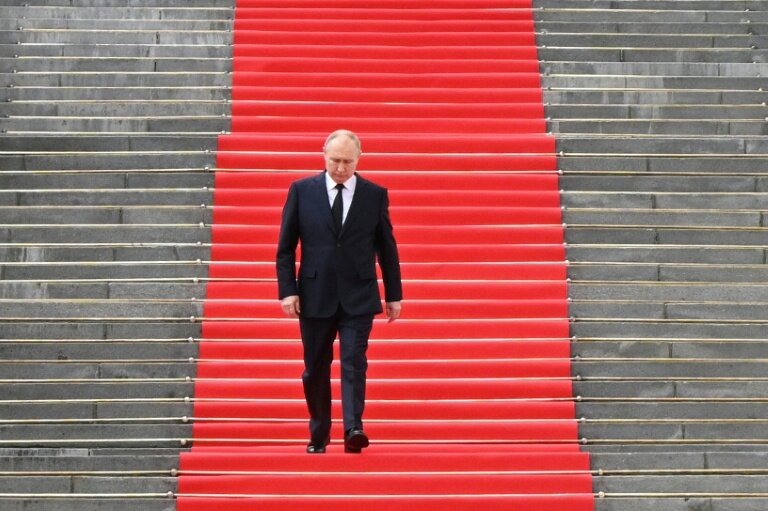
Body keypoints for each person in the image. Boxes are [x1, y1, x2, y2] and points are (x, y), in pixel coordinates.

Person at [276, 129, 403, 454]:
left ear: (359, 159)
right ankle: (319, 432)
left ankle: (353, 428)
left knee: (353, 361)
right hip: (314, 293)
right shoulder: (302, 190)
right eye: (335, 160)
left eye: (348, 161)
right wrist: (288, 291)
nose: (341, 168)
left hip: (359, 294)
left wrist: (393, 294)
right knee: (315, 367)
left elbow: (387, 247)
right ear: (324, 156)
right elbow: (286, 247)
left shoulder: (374, 194)